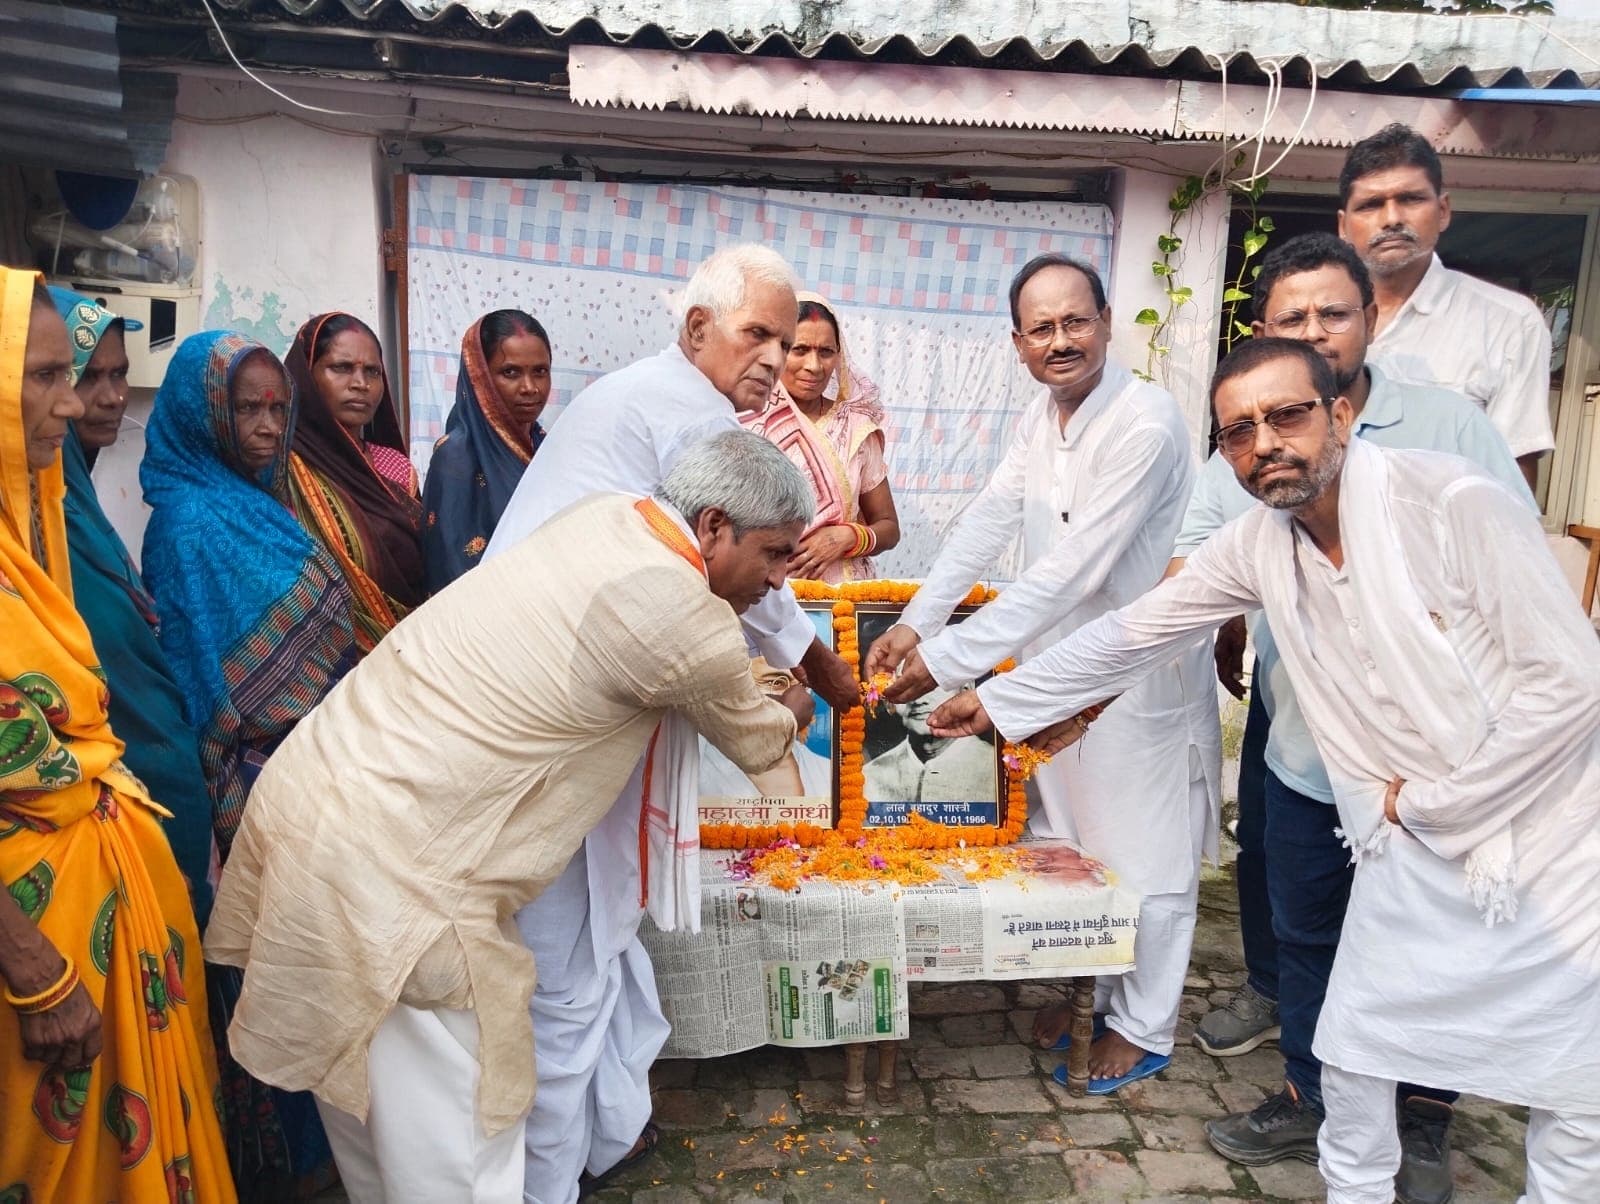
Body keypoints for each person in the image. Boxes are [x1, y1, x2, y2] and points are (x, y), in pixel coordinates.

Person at [931, 336, 1600, 1204]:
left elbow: (1572, 686)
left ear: (1343, 415)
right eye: (1238, 431)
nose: (1264, 444)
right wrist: (997, 703)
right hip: (1404, 840)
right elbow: (1142, 627)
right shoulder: (1259, 543)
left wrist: (1438, 803)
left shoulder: (1453, 503)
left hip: (1540, 845)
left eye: (1286, 415)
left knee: (1572, 1090)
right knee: (1355, 1050)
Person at [204, 430, 816, 1203]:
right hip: (398, 873)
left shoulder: (610, 516)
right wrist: (795, 704)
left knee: (377, 1119)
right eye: (775, 554)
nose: (779, 578)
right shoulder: (681, 612)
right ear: (715, 526)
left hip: (324, 800)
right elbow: (761, 739)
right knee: (460, 1150)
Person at [486, 244, 859, 1200]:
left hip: (584, 705)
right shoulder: (687, 415)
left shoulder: (668, 402)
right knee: (572, 964)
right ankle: (550, 1178)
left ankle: (608, 1135)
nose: (775, 356)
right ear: (698, 331)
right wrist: (825, 674)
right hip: (554, 718)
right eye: (756, 333)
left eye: (786, 335)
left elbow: (752, 578)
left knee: (607, 941)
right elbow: (758, 583)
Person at [1174, 234, 1531, 1201]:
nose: (1314, 330)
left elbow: (1512, 579)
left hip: (1438, 768)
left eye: (1333, 312)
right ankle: (1312, 1092)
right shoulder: (1254, 428)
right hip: (1305, 746)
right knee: (1308, 932)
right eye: (1291, 317)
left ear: (1370, 319)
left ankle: (1424, 1118)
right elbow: (1196, 557)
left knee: (1437, 949)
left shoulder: (1447, 428)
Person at [864, 253, 1219, 1093]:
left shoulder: (1147, 422)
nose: (1061, 341)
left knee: (1147, 860)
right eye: (1042, 328)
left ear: (1103, 322)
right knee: (1066, 845)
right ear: (1018, 342)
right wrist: (919, 619)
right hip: (1050, 665)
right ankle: (1087, 986)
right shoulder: (1041, 418)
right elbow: (988, 518)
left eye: (1076, 322)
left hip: (1132, 674)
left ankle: (1143, 1025)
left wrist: (947, 660)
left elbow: (1079, 571)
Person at [0, 268, 233, 1201]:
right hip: (38, 965)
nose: (74, 403)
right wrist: (29, 962)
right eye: (46, 377)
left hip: (113, 932)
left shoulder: (35, 530)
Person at [142, 330, 358, 1199]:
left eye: (279, 408)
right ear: (205, 415)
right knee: (275, 977)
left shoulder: (262, 503)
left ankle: (328, 1151)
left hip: (308, 773)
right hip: (251, 788)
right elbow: (206, 683)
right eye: (248, 408)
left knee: (318, 971)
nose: (270, 426)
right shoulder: (189, 524)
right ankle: (288, 1165)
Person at [47, 287, 218, 924]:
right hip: (94, 822)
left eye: (119, 373)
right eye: (85, 376)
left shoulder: (80, 508)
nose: (112, 396)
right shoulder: (38, 528)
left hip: (156, 791)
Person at [1338, 123, 1554, 489]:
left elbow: (1515, 470)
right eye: (1371, 204)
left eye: (1410, 199)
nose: (1391, 219)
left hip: (1445, 540)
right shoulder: (1318, 322)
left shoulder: (1508, 322)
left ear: (1443, 210)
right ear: (1344, 226)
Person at [285, 312, 426, 649]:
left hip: (403, 651)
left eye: (372, 372)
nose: (360, 384)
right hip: (314, 658)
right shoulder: (283, 469)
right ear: (307, 376)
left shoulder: (397, 468)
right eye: (342, 368)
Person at [740, 292, 899, 581]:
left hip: (847, 599)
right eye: (800, 350)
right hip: (768, 593)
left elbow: (889, 528)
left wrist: (847, 538)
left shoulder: (855, 427)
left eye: (826, 352)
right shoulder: (748, 421)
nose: (814, 366)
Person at [421, 309, 553, 591]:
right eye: (510, 372)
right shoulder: (456, 457)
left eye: (540, 371)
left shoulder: (547, 447)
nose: (529, 388)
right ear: (479, 377)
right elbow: (450, 569)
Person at [863, 687, 995, 804]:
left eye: (932, 685)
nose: (918, 700)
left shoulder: (995, 769)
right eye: (904, 686)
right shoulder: (869, 777)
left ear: (965, 691)